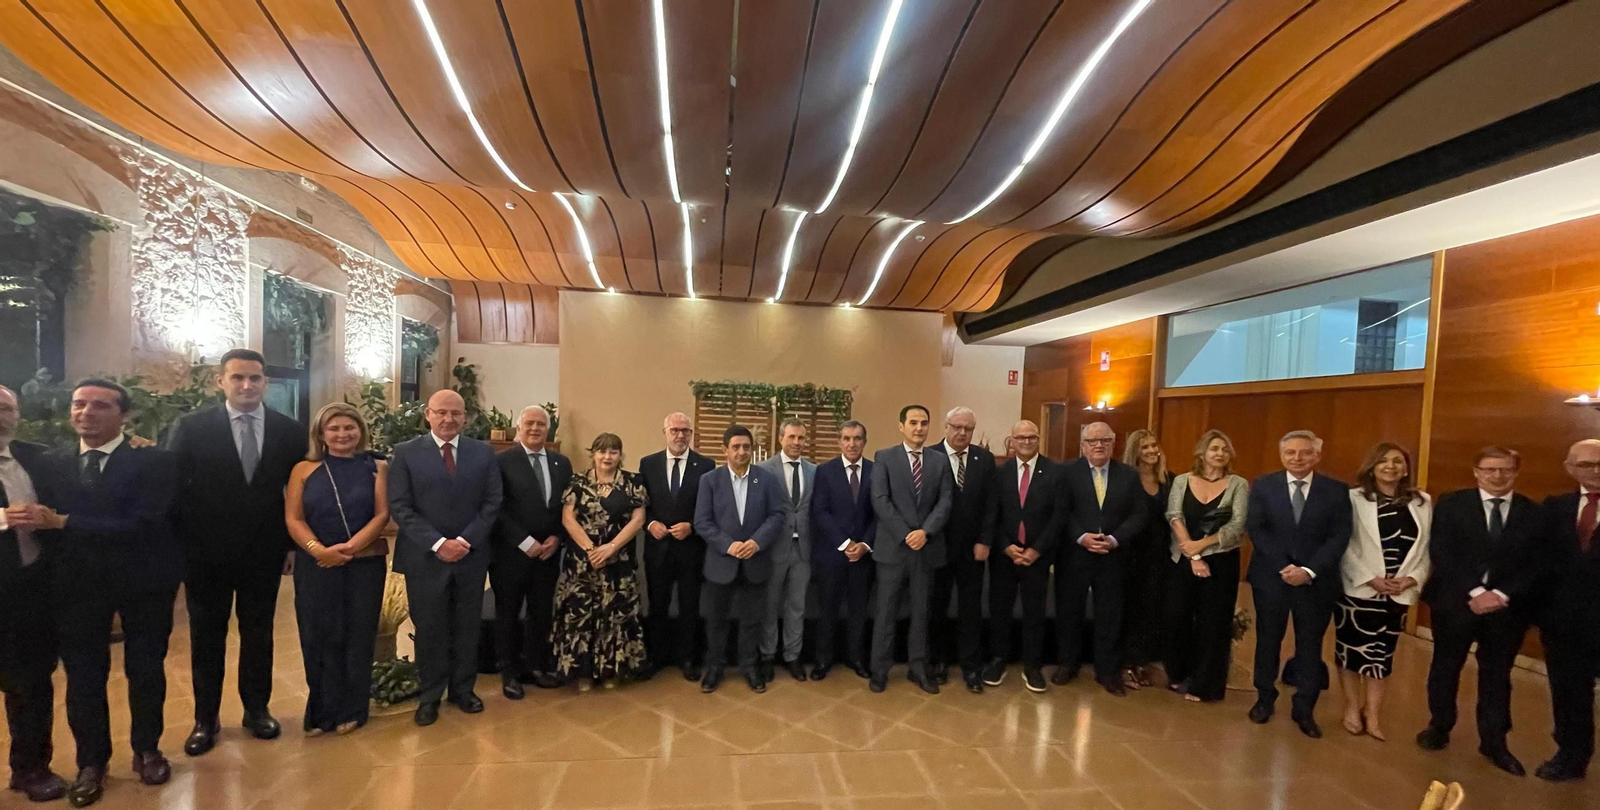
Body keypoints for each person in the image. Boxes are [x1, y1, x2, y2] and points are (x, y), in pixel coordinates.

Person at [28, 380, 182, 806]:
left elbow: (146, 522)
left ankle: (147, 750)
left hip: (144, 581)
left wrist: (65, 523)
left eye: (100, 405)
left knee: (146, 669)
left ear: (124, 415)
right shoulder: (51, 462)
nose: (86, 413)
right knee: (83, 676)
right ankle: (91, 762)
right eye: (79, 404)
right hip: (77, 586)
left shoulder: (154, 461)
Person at [167, 348, 306, 756]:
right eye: (238, 378)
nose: (247, 386)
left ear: (266, 382)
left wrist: (292, 546)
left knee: (259, 635)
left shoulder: (289, 431)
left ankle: (256, 710)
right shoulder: (191, 427)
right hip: (204, 555)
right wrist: (179, 549)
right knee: (206, 638)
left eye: (255, 378)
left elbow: (295, 496)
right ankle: (205, 720)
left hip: (264, 553)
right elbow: (172, 491)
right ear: (220, 381)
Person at [1416, 447, 1538, 776]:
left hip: (1506, 608)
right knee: (1445, 666)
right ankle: (1439, 727)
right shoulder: (1452, 503)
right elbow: (1441, 550)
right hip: (1456, 601)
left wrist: (1499, 593)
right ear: (1476, 471)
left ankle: (1494, 741)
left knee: (1497, 675)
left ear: (1515, 472)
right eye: (1490, 470)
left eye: (1505, 470)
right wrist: (1475, 591)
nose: (1497, 476)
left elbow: (1536, 562)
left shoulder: (1531, 511)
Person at [387, 389, 504, 726]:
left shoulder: (483, 453)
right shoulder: (406, 453)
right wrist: (438, 543)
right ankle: (430, 695)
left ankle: (463, 690)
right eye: (441, 412)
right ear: (428, 414)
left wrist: (465, 540)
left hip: (470, 555)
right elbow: (401, 506)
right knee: (429, 628)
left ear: (465, 416)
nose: (448, 419)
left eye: (455, 413)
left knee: (467, 626)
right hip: (425, 558)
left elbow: (492, 502)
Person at [283, 402, 390, 736]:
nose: (342, 434)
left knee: (358, 634)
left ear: (360, 431)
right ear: (321, 434)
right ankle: (321, 710)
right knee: (319, 634)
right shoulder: (303, 469)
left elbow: (381, 514)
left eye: (349, 427)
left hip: (364, 563)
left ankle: (353, 709)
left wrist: (350, 548)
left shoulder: (377, 466)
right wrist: (318, 550)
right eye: (334, 428)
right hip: (316, 563)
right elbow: (293, 517)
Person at [1245, 429, 1352, 738]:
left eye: (1305, 453)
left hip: (1315, 582)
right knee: (1268, 640)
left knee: (1310, 644)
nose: (1298, 458)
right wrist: (1284, 566)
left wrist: (1308, 570)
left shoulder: (1336, 490)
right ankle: (1264, 699)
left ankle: (1304, 707)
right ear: (1282, 455)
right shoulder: (1264, 486)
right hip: (1271, 577)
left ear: (1317, 455)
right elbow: (1257, 528)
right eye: (1291, 453)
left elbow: (1339, 536)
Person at [1335, 443, 1432, 742]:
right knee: (1351, 652)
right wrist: (1369, 578)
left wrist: (1412, 579)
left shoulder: (1421, 501)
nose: (1391, 467)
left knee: (1382, 655)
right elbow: (1344, 544)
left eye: (1398, 462)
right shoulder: (1353, 498)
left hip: (1398, 591)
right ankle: (1353, 707)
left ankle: (1374, 714)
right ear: (1372, 466)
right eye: (1384, 461)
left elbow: (1427, 547)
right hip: (1359, 590)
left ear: (1406, 467)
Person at [0, 385, 67, 802]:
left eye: (7, 407)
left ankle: (30, 768)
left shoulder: (36, 456)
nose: (1, 414)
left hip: (28, 588)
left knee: (31, 682)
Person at [1054, 421, 1147, 695]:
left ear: (1113, 443)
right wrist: (1081, 537)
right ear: (1082, 445)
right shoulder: (1066, 472)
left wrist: (1115, 539)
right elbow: (1061, 510)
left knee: (1110, 615)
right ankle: (1067, 664)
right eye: (1092, 441)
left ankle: (1107, 671)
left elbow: (1139, 514)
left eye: (1104, 440)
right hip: (1075, 555)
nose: (1098, 445)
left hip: (1113, 556)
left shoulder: (1129, 475)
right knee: (1069, 612)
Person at [869, 405, 954, 694]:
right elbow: (880, 500)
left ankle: (918, 668)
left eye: (924, 423)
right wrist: (906, 534)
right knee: (885, 612)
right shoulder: (884, 457)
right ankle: (879, 670)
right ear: (901, 426)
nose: (919, 428)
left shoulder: (939, 461)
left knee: (922, 612)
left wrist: (925, 532)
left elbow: (945, 502)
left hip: (926, 549)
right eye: (913, 422)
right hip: (893, 548)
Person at [553, 433, 649, 689]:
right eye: (602, 451)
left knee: (615, 617)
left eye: (613, 452)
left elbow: (638, 520)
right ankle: (581, 672)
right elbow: (567, 518)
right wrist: (591, 549)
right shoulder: (577, 482)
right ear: (593, 453)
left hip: (618, 562)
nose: (608, 457)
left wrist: (610, 548)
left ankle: (610, 671)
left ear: (620, 455)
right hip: (582, 563)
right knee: (580, 617)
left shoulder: (633, 483)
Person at [693, 425, 785, 693]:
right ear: (725, 450)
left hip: (755, 562)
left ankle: (749, 667)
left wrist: (757, 542)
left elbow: (777, 515)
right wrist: (728, 545)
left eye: (746, 446)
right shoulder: (710, 480)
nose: (742, 451)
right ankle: (715, 668)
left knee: (752, 620)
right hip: (721, 563)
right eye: (736, 447)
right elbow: (702, 521)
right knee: (716, 620)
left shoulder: (766, 479)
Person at [1163, 429, 1249, 704]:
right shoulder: (1181, 481)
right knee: (1176, 618)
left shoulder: (1238, 484)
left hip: (1221, 562)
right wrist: (1193, 555)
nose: (1220, 454)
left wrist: (1202, 547)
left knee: (1214, 624)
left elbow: (1237, 526)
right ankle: (1179, 673)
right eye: (1214, 449)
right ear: (1202, 452)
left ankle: (1205, 685)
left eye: (1225, 449)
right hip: (1183, 559)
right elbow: (1174, 515)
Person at [490, 406, 570, 697]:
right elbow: (495, 506)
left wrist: (556, 539)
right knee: (508, 613)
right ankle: (509, 672)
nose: (535, 428)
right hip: (511, 554)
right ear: (518, 428)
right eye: (529, 423)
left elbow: (567, 508)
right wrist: (525, 542)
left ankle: (535, 666)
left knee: (540, 612)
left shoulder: (562, 463)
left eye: (541, 424)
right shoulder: (500, 462)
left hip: (547, 554)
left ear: (548, 429)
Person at [1533, 439, 1600, 783]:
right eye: (1587, 465)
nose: (1596, 470)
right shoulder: (1555, 508)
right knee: (1570, 694)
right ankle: (1571, 758)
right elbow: (1539, 564)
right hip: (1565, 624)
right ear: (1570, 468)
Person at [981, 420, 1062, 694]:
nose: (1026, 442)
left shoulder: (1054, 471)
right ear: (1011, 441)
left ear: (1038, 439)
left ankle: (1033, 665)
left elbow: (1058, 516)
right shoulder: (999, 473)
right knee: (1000, 609)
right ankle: (998, 659)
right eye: (1020, 437)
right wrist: (1005, 546)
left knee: (1034, 611)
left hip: (1038, 555)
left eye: (1031, 437)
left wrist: (1036, 549)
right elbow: (992, 513)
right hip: (1005, 555)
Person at [639, 413, 714, 680]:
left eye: (685, 431)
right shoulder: (648, 464)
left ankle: (688, 658)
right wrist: (650, 524)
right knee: (657, 605)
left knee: (689, 606)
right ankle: (657, 657)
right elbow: (640, 506)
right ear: (665, 432)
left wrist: (692, 526)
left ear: (691, 434)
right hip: (657, 548)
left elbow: (710, 507)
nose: (680, 435)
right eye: (675, 430)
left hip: (690, 549)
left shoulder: (706, 465)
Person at [925, 406, 996, 693]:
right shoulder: (930, 456)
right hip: (938, 547)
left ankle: (971, 667)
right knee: (937, 607)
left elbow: (992, 504)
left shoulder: (984, 459)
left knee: (970, 609)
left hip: (973, 549)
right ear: (946, 426)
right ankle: (938, 662)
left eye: (968, 428)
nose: (962, 433)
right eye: (957, 427)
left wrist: (985, 540)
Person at [808, 420, 876, 681]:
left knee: (859, 610)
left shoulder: (875, 470)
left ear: (864, 442)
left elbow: (877, 514)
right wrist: (845, 544)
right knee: (827, 610)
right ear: (839, 442)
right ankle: (823, 660)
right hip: (832, 555)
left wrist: (864, 544)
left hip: (864, 555)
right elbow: (820, 512)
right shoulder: (825, 471)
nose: (852, 443)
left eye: (857, 438)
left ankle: (856, 657)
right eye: (846, 438)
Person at [757, 418, 816, 682]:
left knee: (797, 605)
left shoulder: (815, 471)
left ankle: (792, 656)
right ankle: (767, 655)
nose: (796, 442)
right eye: (791, 437)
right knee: (769, 606)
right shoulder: (763, 470)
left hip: (803, 548)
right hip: (773, 549)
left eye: (801, 438)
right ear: (781, 438)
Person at [1120, 428, 1171, 690]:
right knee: (1129, 609)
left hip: (1159, 555)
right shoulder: (1125, 479)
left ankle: (1141, 660)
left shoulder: (1168, 480)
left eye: (1154, 445)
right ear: (1135, 452)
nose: (1151, 451)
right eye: (1145, 447)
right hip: (1129, 553)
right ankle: (1126, 663)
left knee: (1151, 609)